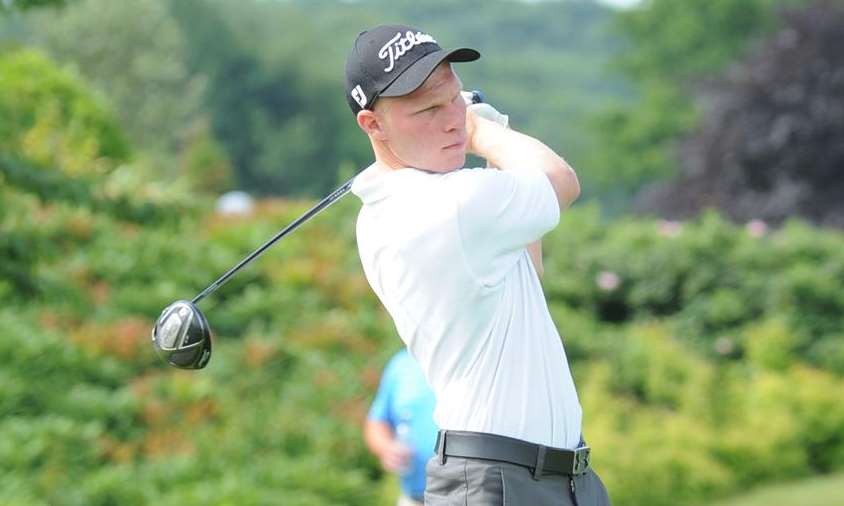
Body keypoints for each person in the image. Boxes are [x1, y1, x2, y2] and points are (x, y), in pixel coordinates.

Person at [344, 24, 611, 505]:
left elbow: (528, 262)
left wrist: (487, 145)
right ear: (373, 124)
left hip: (557, 476)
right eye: (428, 109)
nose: (450, 120)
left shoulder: (399, 209)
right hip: (499, 481)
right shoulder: (442, 206)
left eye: (454, 99)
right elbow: (561, 180)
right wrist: (482, 130)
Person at [365, 348, 438, 506]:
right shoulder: (402, 363)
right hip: (415, 498)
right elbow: (377, 421)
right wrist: (386, 447)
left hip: (472, 495)